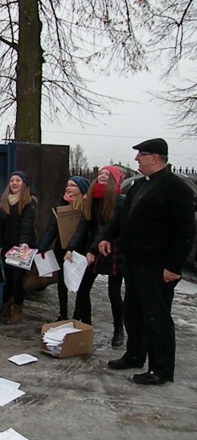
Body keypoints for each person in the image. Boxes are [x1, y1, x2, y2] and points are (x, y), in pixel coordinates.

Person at [98, 138, 195, 385]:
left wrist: (174, 267)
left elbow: (186, 231)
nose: (136, 159)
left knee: (156, 317)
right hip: (134, 262)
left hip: (158, 266)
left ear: (155, 157)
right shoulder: (139, 185)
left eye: (141, 155)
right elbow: (121, 217)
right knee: (134, 312)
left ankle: (161, 369)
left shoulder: (176, 188)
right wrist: (107, 236)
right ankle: (135, 355)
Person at [65, 166, 125, 346]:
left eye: (107, 174)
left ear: (115, 180)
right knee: (83, 289)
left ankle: (118, 330)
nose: (102, 176)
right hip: (92, 249)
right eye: (101, 174)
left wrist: (92, 250)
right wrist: (71, 248)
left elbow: (109, 229)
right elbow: (83, 226)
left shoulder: (120, 201)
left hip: (113, 250)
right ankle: (85, 325)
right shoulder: (91, 199)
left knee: (114, 293)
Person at [37, 176, 89, 322]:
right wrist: (42, 247)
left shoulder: (87, 205)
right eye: (68, 185)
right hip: (62, 247)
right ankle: (63, 313)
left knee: (81, 284)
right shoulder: (62, 203)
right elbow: (52, 228)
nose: (68, 188)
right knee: (62, 283)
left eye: (73, 185)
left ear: (82, 189)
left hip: (80, 250)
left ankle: (79, 315)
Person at [0, 170, 36, 324]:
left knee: (17, 280)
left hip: (21, 249)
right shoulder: (4, 202)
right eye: (12, 181)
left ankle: (17, 308)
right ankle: (5, 306)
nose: (14, 183)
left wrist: (24, 242)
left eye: (18, 180)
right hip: (6, 246)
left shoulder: (28, 203)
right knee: (5, 279)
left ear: (24, 184)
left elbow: (26, 225)